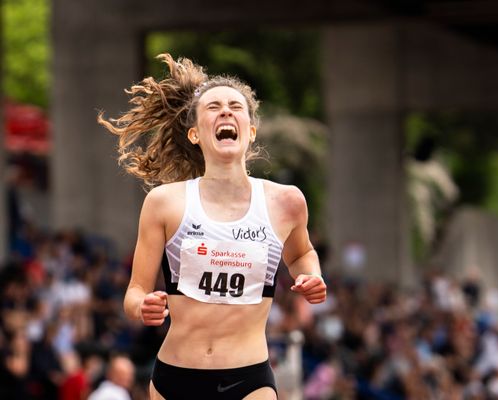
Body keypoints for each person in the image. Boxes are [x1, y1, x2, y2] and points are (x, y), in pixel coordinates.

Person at [98, 54, 327, 399]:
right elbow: (134, 292)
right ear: (194, 134)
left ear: (250, 132)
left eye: (236, 106)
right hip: (176, 377)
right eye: (213, 107)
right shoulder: (164, 203)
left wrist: (311, 275)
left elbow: (303, 253)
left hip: (249, 378)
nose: (225, 112)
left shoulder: (286, 202)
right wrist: (142, 307)